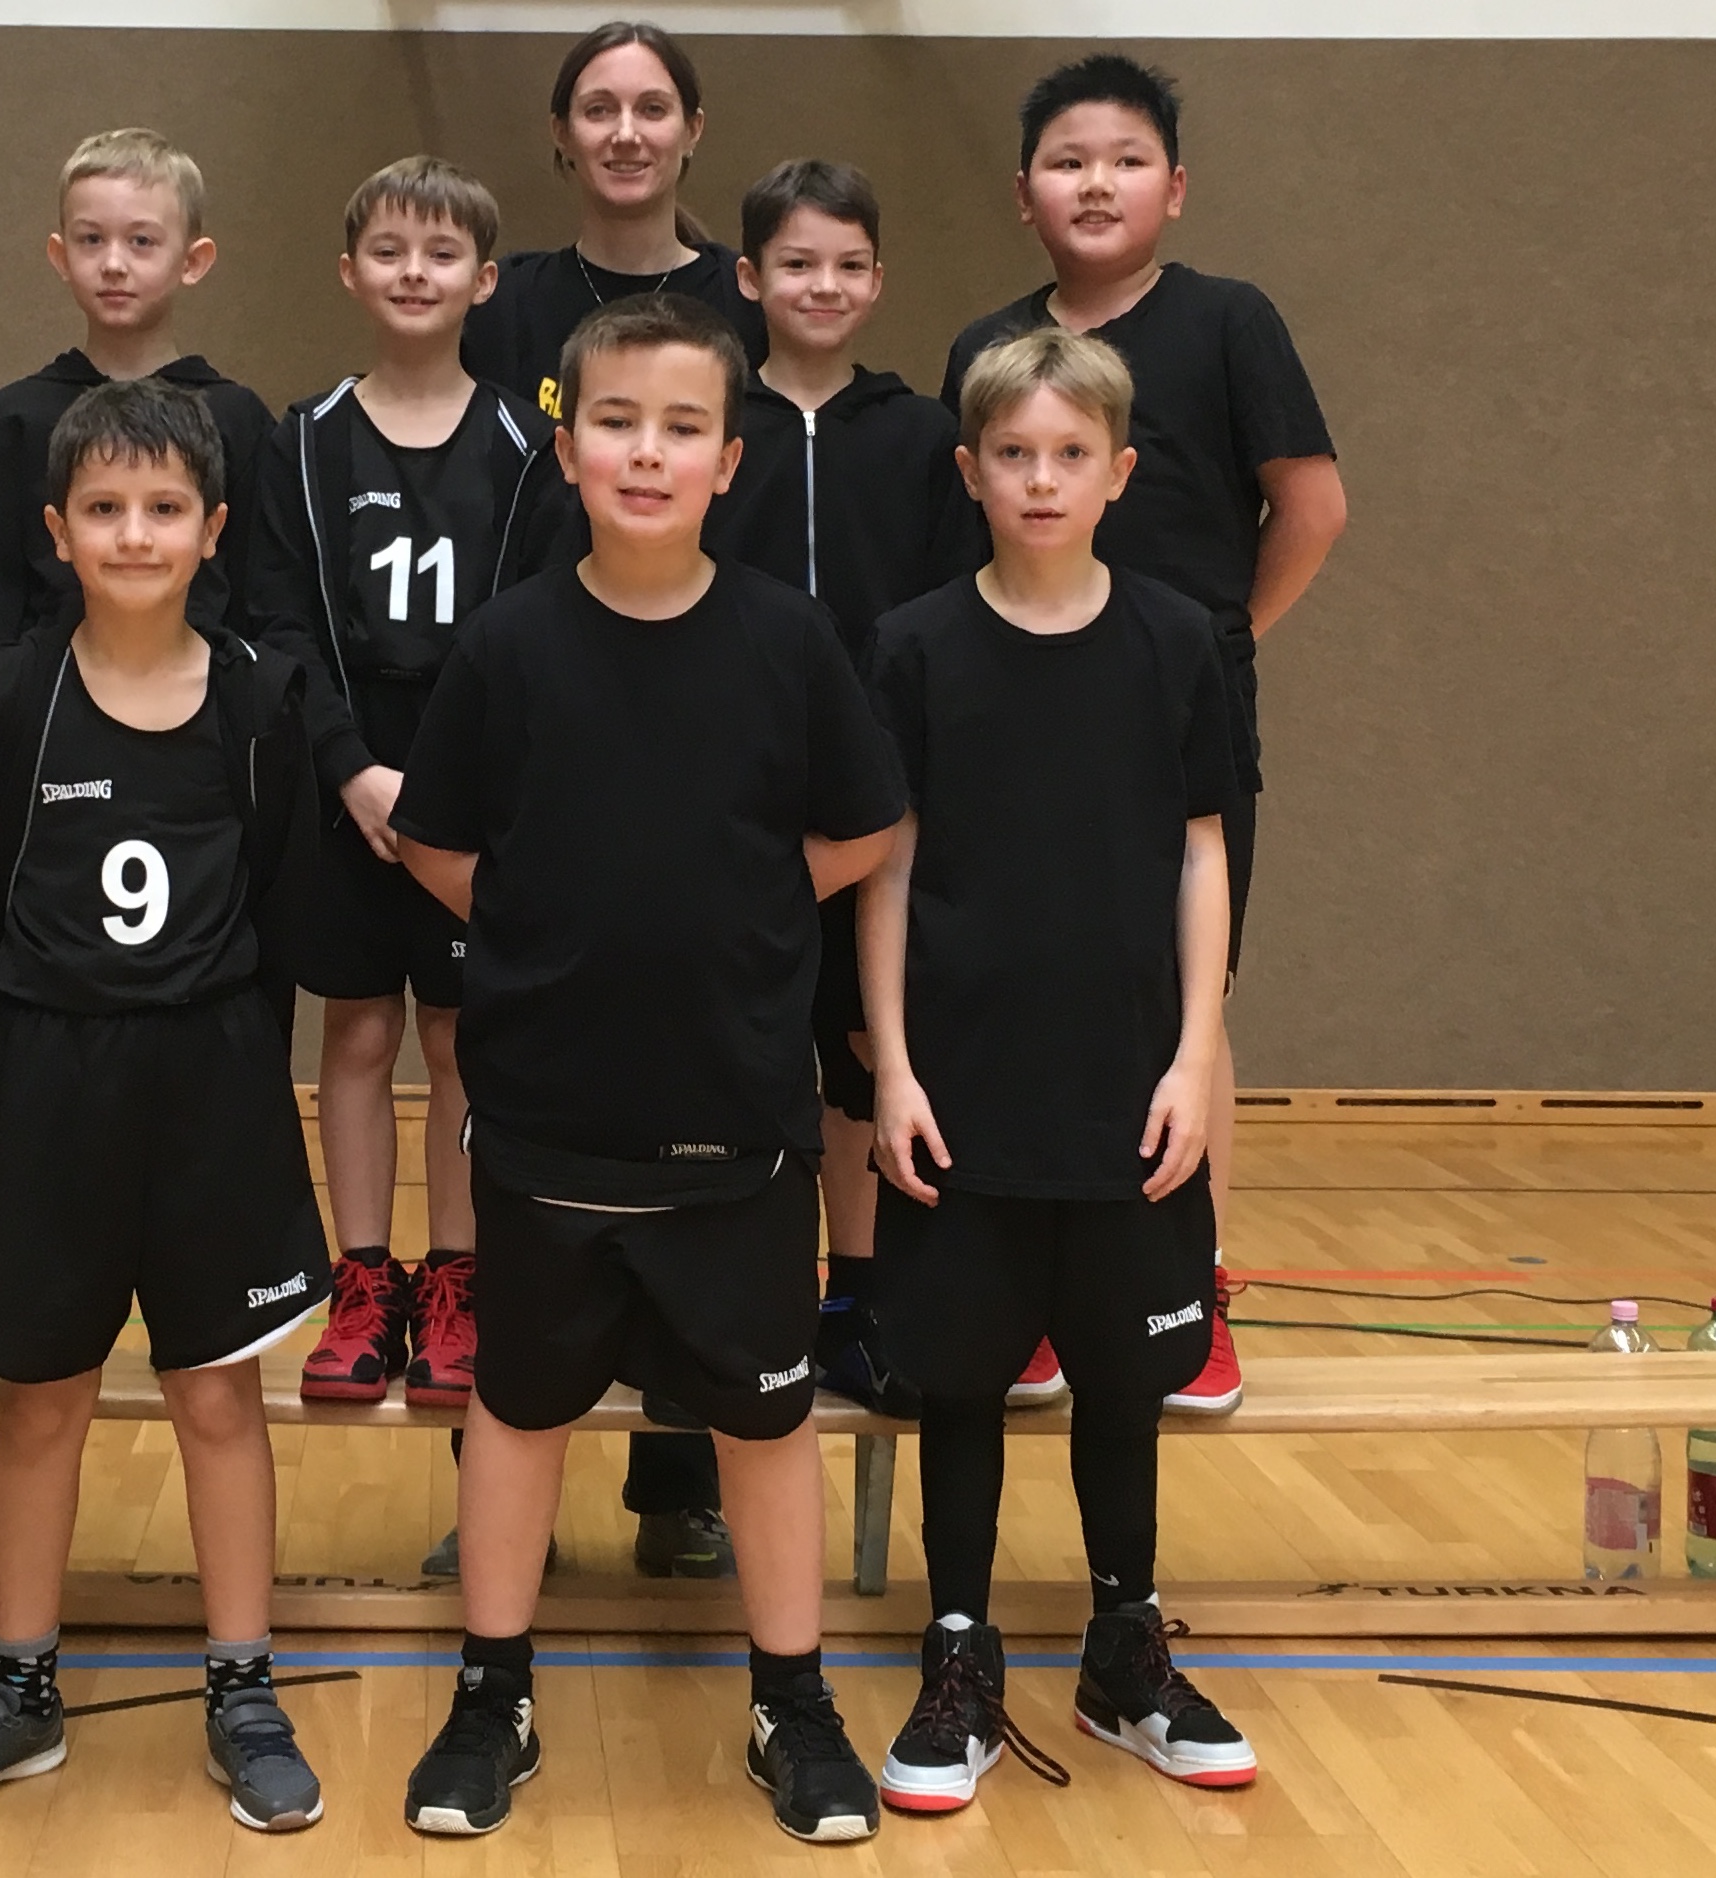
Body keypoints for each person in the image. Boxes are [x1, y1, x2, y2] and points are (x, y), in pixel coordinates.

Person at [390, 295, 901, 1844]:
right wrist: (545, 921)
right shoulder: (508, 644)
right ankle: (491, 1693)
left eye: (683, 427)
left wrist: (745, 907)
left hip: (733, 1122)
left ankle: (793, 1700)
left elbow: (867, 821)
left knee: (762, 1423)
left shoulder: (787, 640)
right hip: (547, 1125)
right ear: (566, 448)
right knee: (520, 1411)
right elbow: (431, 835)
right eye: (615, 422)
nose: (646, 451)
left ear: (728, 460)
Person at [0, 378, 331, 1833]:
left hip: (214, 1084)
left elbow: (282, 896)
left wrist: (202, 1020)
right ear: (56, 530)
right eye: (103, 509)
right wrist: (62, 1010)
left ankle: (243, 1685)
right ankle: (19, 1683)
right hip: (54, 1081)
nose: (133, 533)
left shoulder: (260, 698)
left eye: (162, 509)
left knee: (217, 1393)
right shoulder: (9, 695)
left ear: (213, 528)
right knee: (44, 1395)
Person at [861, 325, 1256, 1814]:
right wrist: (892, 1066)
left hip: (1125, 1085)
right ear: (970, 471)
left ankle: (1122, 1648)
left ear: (1119, 472)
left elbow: (1201, 851)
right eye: (1014, 454)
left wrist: (1195, 1053)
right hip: (962, 1088)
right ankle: (959, 1654)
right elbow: (887, 866)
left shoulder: (1176, 639)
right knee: (961, 1379)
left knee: (1122, 1381)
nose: (1041, 478)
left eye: (1069, 454)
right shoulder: (910, 646)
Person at [940, 55, 1349, 1416]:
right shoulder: (990, 349)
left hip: (1174, 728)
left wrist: (1213, 646)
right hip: (1014, 727)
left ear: (1173, 187)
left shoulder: (1231, 322)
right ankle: (1030, 1294)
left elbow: (1312, 509)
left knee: (1186, 997)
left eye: (1124, 159)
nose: (1095, 182)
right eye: (1067, 161)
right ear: (1023, 194)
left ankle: (1192, 1284)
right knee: (1021, 984)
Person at [453, 13, 758, 1577]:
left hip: (704, 723)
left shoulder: (743, 299)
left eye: (652, 105)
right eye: (598, 106)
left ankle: (678, 1478)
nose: (626, 129)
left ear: (692, 129)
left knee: (696, 1131)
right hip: (544, 711)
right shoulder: (507, 308)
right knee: (537, 1132)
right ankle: (494, 1490)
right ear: (562, 134)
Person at [249, 157, 570, 1438]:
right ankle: (363, 1281)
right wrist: (349, 766)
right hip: (347, 782)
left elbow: (537, 631)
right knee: (357, 1032)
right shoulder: (303, 439)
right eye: (388, 250)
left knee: (456, 1040)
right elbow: (278, 626)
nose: (414, 273)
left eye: (442, 254)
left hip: (469, 789)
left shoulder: (525, 446)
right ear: (349, 272)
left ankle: (456, 1278)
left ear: (483, 282)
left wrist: (447, 787)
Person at [705, 157, 968, 1421]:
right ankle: (721, 1304)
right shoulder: (713, 427)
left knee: (863, 1053)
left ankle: (859, 1299)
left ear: (877, 280)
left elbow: (953, 611)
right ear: (748, 277)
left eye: (848, 265)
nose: (823, 285)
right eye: (796, 263)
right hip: (732, 801)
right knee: (731, 1056)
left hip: (878, 807)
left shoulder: (917, 435)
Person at [0, 129, 279, 729]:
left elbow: (261, 603)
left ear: (193, 261)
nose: (114, 263)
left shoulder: (237, 418)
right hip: (47, 728)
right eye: (91, 239)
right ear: (60, 256)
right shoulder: (19, 416)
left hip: (203, 731)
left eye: (142, 241)